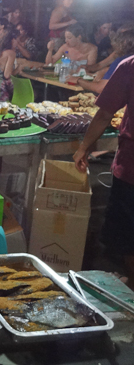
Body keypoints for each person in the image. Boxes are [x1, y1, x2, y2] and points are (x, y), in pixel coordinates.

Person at [74, 53, 134, 286]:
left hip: (131, 168)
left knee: (128, 235)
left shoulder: (130, 66)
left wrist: (83, 148)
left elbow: (105, 114)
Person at [71, 30, 134, 95]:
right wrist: (88, 68)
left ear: (123, 43)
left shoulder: (122, 60)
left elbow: (101, 88)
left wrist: (78, 80)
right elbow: (99, 65)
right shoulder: (123, 57)